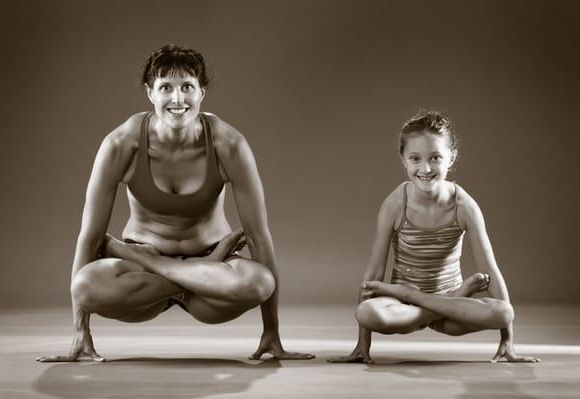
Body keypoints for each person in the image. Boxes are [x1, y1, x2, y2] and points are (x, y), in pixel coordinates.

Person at [37, 45, 314, 362]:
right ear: (150, 92)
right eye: (166, 87)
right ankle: (178, 274)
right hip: (143, 278)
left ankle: (179, 270)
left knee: (260, 281)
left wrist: (272, 333)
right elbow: (89, 236)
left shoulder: (229, 144)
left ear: (202, 92)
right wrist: (79, 333)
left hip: (209, 275)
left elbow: (259, 238)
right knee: (85, 286)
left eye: (187, 88)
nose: (178, 99)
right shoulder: (121, 144)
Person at [328, 110, 539, 363]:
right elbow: (373, 275)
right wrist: (362, 344)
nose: (425, 168)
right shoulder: (396, 204)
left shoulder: (464, 206)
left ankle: (429, 297)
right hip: (402, 309)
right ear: (403, 159)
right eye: (415, 158)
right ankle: (439, 299)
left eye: (435, 157)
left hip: (451, 313)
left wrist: (508, 342)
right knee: (366, 312)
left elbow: (490, 270)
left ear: (452, 158)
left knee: (504, 312)